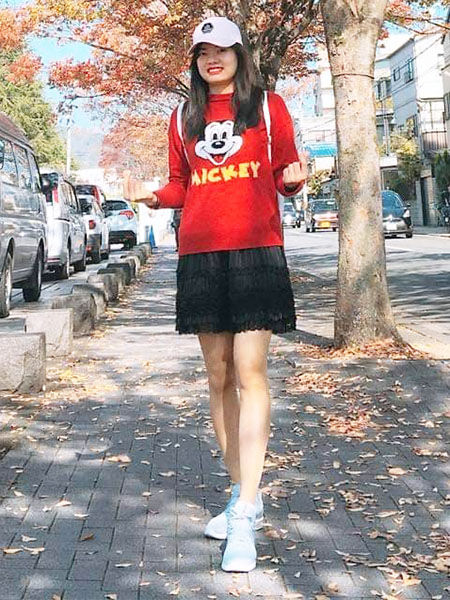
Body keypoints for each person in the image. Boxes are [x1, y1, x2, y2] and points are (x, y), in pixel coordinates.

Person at [123, 15, 307, 573]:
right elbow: (181, 184)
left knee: (251, 372)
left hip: (256, 250)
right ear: (196, 61)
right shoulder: (183, 116)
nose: (212, 59)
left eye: (222, 49)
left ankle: (246, 512)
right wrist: (152, 196)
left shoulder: (269, 107)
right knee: (218, 375)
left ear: (239, 54)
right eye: (203, 51)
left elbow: (286, 171)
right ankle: (240, 491)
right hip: (200, 255)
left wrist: (295, 179)